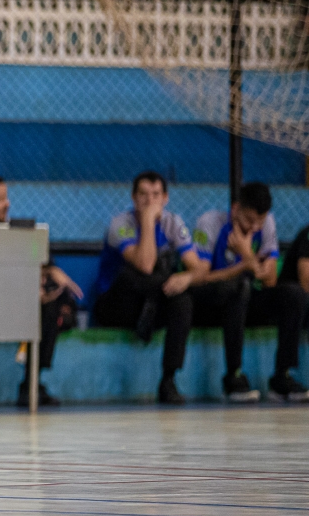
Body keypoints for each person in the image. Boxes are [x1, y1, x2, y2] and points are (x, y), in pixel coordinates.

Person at [0, 175, 83, 407]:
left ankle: (32, 382)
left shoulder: (12, 230)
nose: (7, 204)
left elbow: (34, 262)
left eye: (7, 198)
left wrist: (48, 271)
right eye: (0, 199)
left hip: (5, 303)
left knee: (52, 300)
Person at [189, 182, 308, 403]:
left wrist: (245, 254)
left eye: (259, 222)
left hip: (247, 300)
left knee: (293, 294)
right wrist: (246, 265)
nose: (254, 227)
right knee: (239, 287)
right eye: (249, 220)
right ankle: (233, 376)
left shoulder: (267, 223)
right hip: (214, 301)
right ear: (235, 209)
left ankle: (282, 376)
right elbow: (201, 277)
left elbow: (270, 280)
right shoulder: (210, 223)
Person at [92, 171, 202, 405]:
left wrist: (187, 278)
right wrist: (149, 221)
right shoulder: (120, 224)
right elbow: (145, 264)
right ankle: (153, 305)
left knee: (182, 299)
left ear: (165, 198)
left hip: (150, 311)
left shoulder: (173, 222)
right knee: (131, 275)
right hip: (117, 307)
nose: (150, 201)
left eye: (155, 195)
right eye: (143, 195)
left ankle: (169, 379)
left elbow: (198, 268)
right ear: (133, 198)